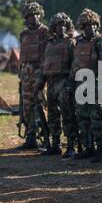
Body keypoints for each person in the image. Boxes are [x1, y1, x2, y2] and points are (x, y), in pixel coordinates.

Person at [36, 13, 79, 158]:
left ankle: (71, 145)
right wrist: (39, 86)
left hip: (64, 82)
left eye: (63, 25)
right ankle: (55, 144)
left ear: (67, 27)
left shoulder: (71, 43)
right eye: (58, 25)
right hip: (51, 83)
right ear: (53, 27)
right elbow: (44, 65)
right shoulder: (49, 44)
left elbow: (75, 64)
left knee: (68, 115)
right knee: (52, 115)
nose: (61, 28)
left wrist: (70, 83)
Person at [71, 8, 102, 163]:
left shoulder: (101, 42)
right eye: (86, 25)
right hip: (81, 84)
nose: (90, 28)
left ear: (97, 25)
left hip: (96, 85)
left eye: (93, 25)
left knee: (97, 119)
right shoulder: (79, 43)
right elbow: (75, 64)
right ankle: (89, 148)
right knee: (82, 118)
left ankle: (101, 149)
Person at [18, 2, 49, 150]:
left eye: (36, 15)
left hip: (40, 75)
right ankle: (30, 137)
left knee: (41, 106)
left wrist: (44, 76)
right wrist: (21, 74)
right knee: (27, 107)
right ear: (26, 18)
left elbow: (49, 55)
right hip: (26, 76)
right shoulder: (23, 34)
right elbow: (22, 56)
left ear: (40, 15)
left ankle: (46, 137)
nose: (34, 18)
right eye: (30, 15)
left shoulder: (46, 32)